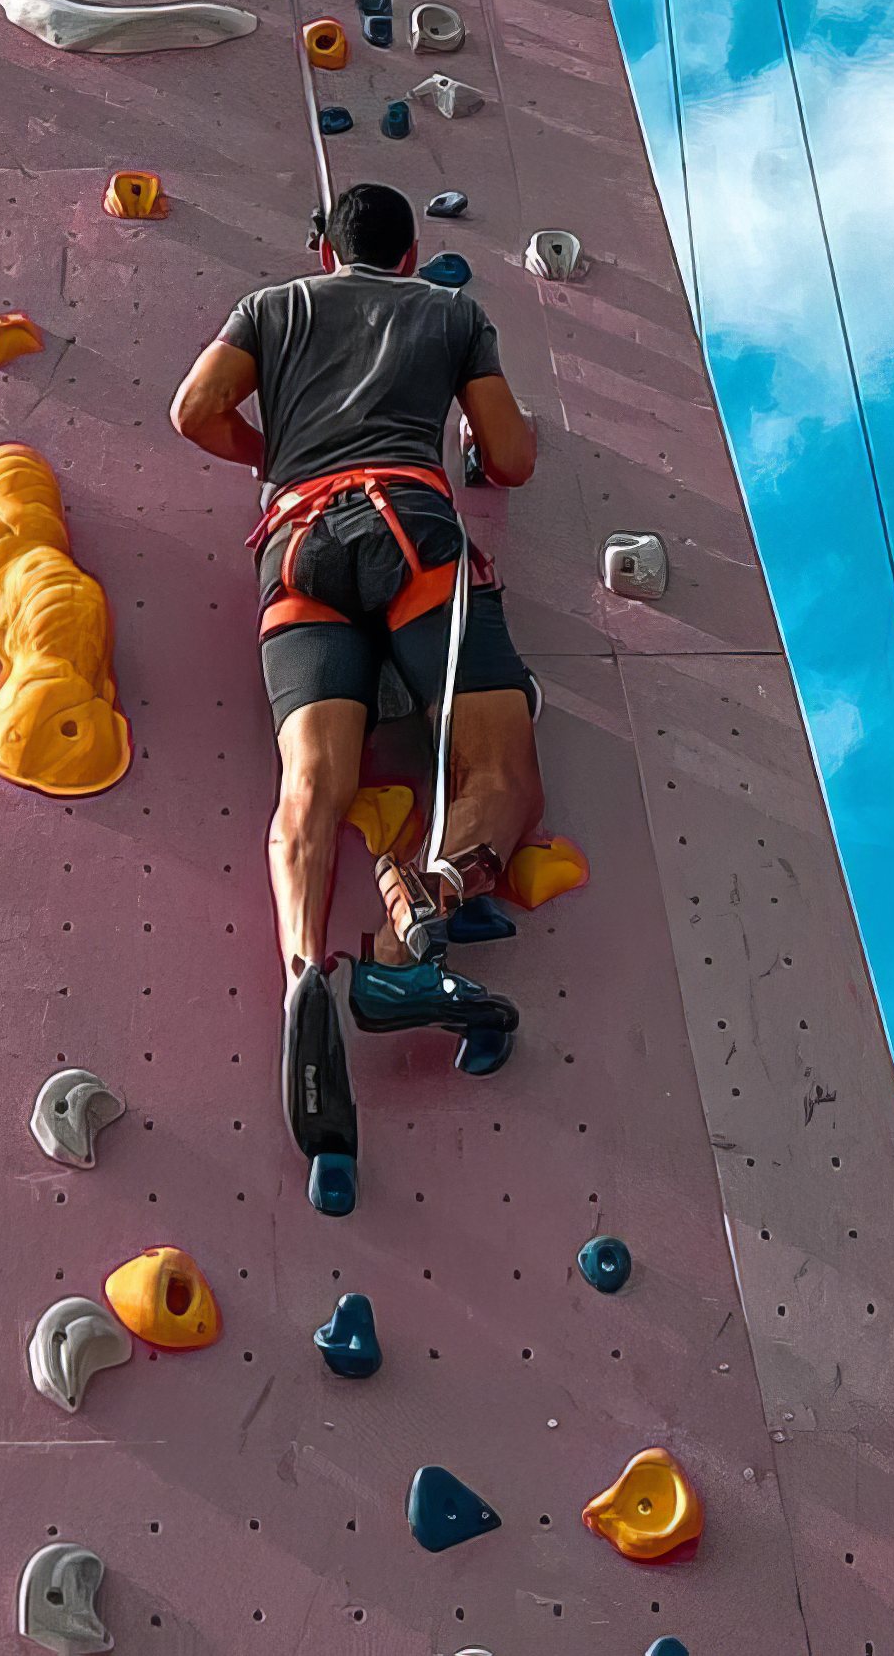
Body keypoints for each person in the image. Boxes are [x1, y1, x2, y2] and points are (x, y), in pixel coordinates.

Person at [169, 180, 541, 1109]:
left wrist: (274, 456)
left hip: (294, 546)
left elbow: (193, 410)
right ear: (409, 256)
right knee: (500, 770)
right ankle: (422, 910)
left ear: (325, 254)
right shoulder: (453, 314)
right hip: (412, 531)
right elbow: (513, 460)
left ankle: (304, 968)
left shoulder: (271, 307)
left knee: (311, 783)